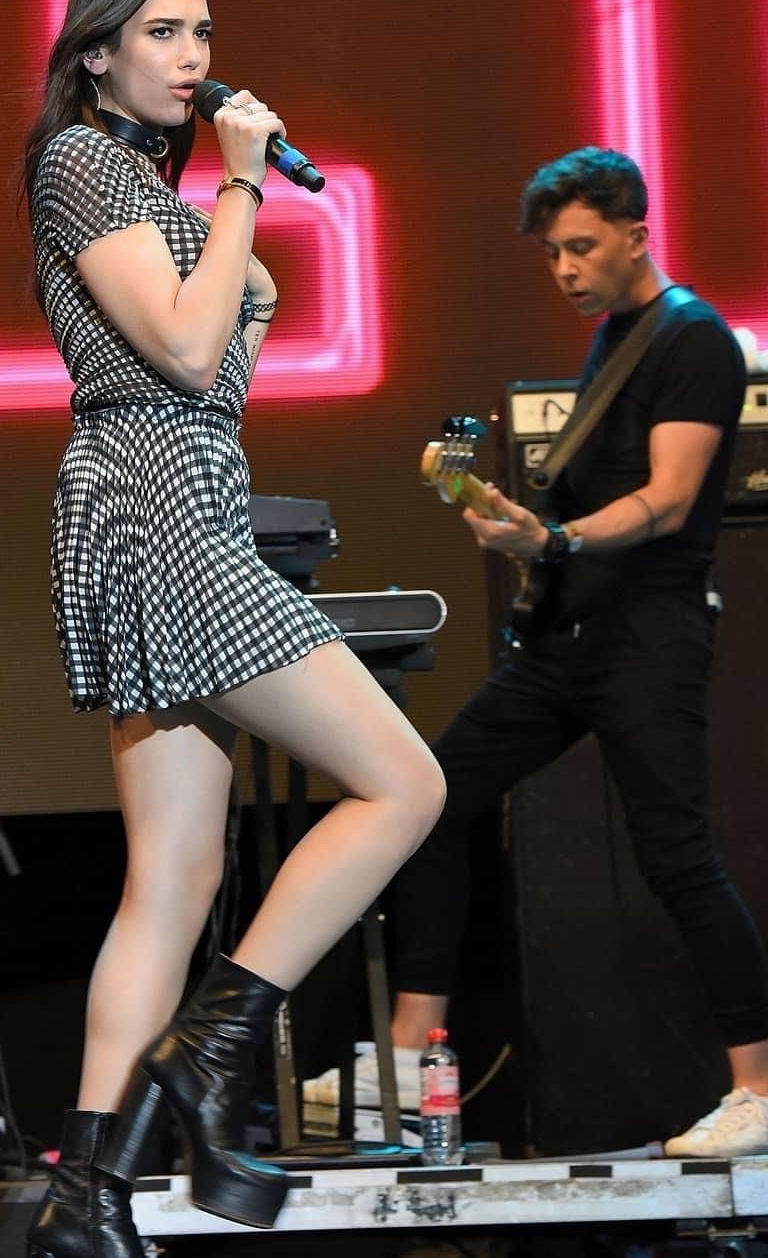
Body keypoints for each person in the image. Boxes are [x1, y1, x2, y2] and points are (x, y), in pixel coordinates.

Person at [19, 0, 445, 1258]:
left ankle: (86, 1199)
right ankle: (211, 1050)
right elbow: (188, 349)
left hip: (180, 488)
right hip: (155, 504)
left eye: (201, 31)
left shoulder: (146, 189)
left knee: (175, 873)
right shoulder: (82, 162)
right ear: (97, 54)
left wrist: (235, 253)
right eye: (162, 32)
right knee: (404, 784)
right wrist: (246, 185)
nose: (194, 58)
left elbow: (219, 356)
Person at [350, 145, 768, 1159]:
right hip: (567, 639)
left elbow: (668, 499)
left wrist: (559, 540)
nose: (566, 269)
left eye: (582, 247)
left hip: (647, 639)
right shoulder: (616, 338)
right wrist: (518, 525)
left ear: (637, 233)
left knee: (678, 859)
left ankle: (758, 1090)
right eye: (552, 254)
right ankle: (407, 1062)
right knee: (430, 798)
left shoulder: (695, 340)